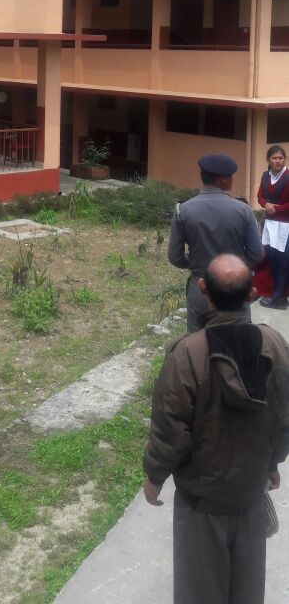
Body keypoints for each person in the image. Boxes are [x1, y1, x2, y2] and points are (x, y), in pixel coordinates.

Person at [143, 254, 289, 604]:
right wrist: (271, 464)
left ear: (202, 289)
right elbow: (283, 417)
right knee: (247, 587)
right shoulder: (275, 345)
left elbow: (171, 428)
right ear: (252, 293)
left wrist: (154, 477)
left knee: (200, 589)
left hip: (202, 500)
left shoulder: (187, 354)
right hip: (251, 491)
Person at [168, 153, 263, 331]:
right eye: (231, 175)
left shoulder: (183, 210)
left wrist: (195, 263)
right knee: (239, 345)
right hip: (235, 289)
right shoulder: (243, 210)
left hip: (201, 287)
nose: (233, 179)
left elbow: (175, 257)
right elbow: (256, 254)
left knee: (197, 348)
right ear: (222, 180)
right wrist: (235, 268)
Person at [257, 144, 289, 309]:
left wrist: (275, 208)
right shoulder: (265, 176)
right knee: (270, 260)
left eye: (281, 158)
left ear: (285, 159)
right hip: (269, 225)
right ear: (268, 160)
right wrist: (266, 204)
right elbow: (260, 196)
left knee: (283, 262)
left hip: (285, 226)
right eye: (274, 158)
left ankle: (280, 299)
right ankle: (270, 292)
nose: (278, 161)